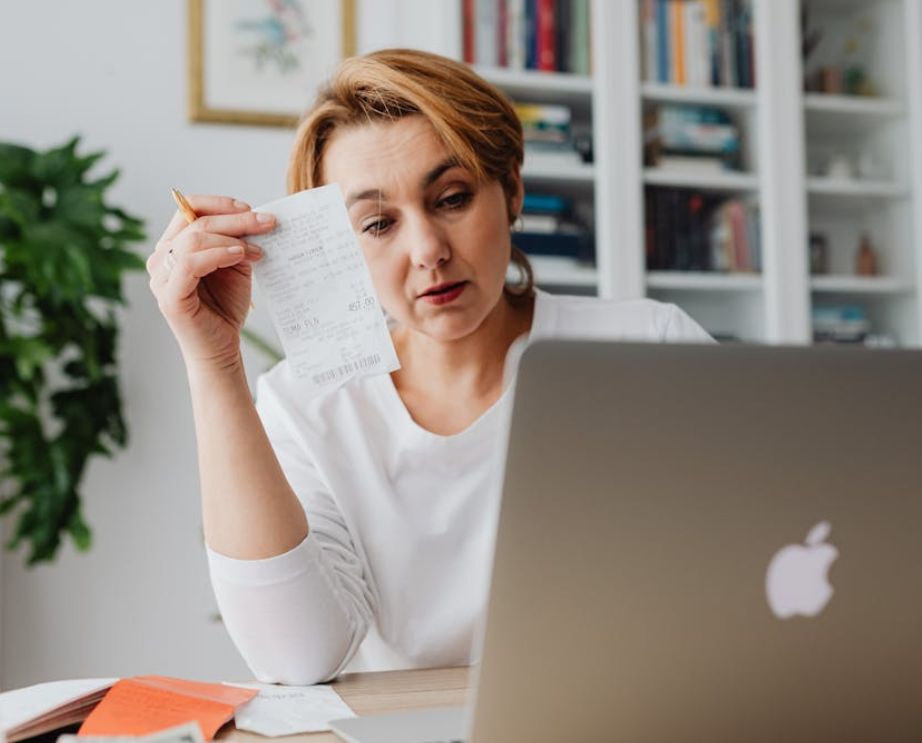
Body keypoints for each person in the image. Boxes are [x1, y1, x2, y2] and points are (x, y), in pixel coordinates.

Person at [147, 49, 714, 685]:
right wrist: (213, 360)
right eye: (379, 223)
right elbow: (296, 657)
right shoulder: (307, 407)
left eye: (452, 198)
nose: (428, 251)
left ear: (513, 190)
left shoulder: (651, 347)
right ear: (338, 244)